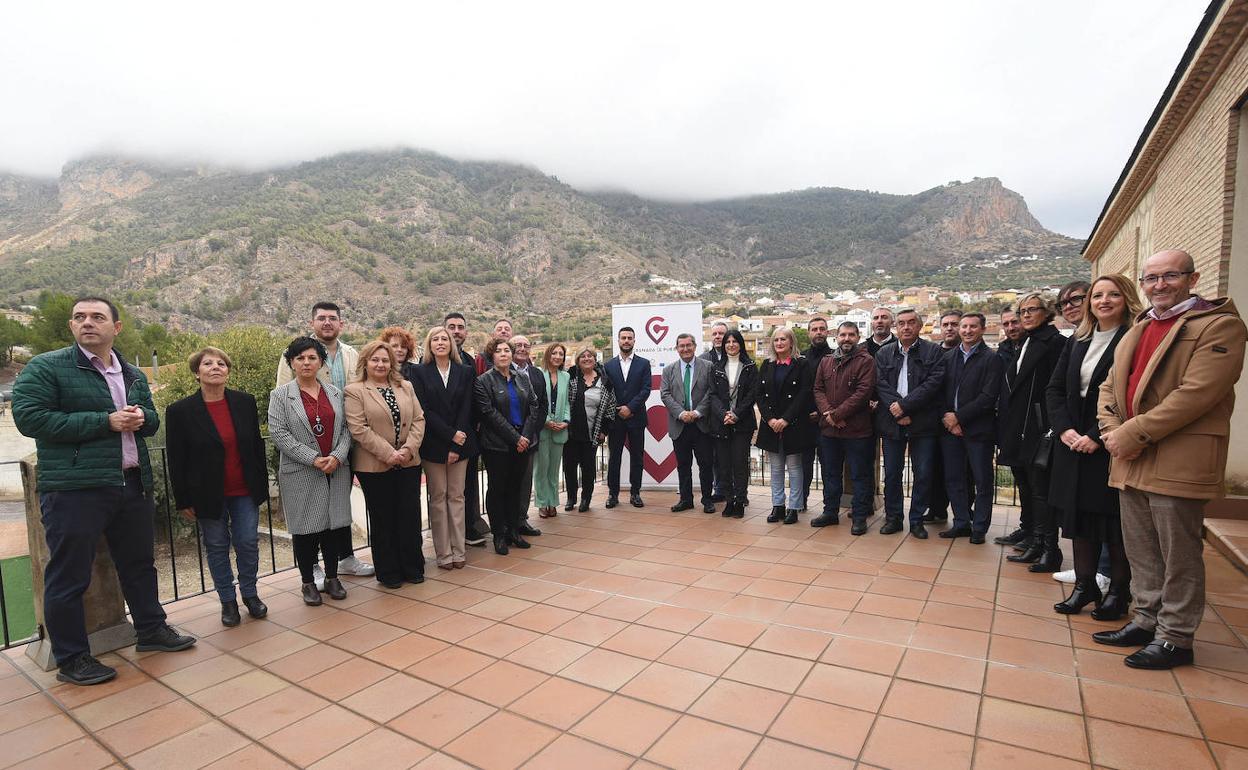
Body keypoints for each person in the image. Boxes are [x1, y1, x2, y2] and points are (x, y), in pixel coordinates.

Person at [12, 296, 195, 685]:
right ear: (71, 326)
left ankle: (150, 630)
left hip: (131, 483)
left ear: (117, 327)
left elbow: (151, 419)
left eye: (97, 317)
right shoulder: (47, 367)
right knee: (68, 575)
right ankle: (72, 659)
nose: (87, 323)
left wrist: (144, 416)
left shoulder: (131, 373)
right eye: (80, 317)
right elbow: (29, 418)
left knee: (139, 564)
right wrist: (105, 421)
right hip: (76, 489)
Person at [1095, 249, 1246, 669]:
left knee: (1179, 554)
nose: (1159, 285)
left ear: (1192, 278)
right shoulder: (1141, 327)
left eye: (1170, 276)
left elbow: (1197, 394)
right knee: (1142, 549)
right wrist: (1111, 431)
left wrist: (1131, 433)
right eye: (1151, 278)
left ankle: (1176, 637)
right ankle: (1145, 620)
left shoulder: (1220, 326)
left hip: (1178, 455)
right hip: (1130, 456)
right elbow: (1110, 386)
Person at [1046, 275, 1141, 618]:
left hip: (1108, 444)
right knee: (1078, 519)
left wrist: (1095, 435)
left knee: (1111, 522)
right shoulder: (1078, 341)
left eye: (1112, 294)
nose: (1104, 301)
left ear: (1126, 298)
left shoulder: (1134, 338)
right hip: (1072, 444)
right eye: (1098, 295)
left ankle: (1118, 592)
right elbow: (1054, 388)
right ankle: (1084, 587)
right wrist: (1065, 430)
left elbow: (1132, 395)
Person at [166, 347, 270, 627]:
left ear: (228, 371)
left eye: (221, 363)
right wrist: (183, 499)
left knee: (247, 542)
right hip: (206, 494)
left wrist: (261, 483)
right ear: (197, 372)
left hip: (244, 489)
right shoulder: (180, 411)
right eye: (207, 363)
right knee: (216, 545)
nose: (215, 367)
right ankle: (227, 600)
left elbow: (256, 447)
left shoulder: (244, 402)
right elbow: (176, 458)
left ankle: (250, 593)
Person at [275, 301, 372, 584]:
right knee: (307, 514)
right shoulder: (292, 356)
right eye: (321, 318)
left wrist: (340, 453)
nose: (327, 323)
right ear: (312, 322)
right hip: (306, 453)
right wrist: (313, 457)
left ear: (341, 324)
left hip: (343, 446)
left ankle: (345, 559)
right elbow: (283, 400)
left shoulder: (352, 355)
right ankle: (313, 569)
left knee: (337, 507)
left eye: (333, 318)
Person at [269, 337, 353, 606]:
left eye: (312, 358)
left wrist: (337, 456)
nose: (306, 362)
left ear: (321, 362)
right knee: (305, 530)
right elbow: (279, 434)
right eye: (300, 358)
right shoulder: (281, 395)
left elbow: (346, 430)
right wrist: (314, 458)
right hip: (302, 472)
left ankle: (331, 577)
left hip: (335, 469)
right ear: (291, 363)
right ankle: (308, 582)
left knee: (332, 526)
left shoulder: (335, 393)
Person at [345, 341, 426, 588]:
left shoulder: (406, 386)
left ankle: (412, 567)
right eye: (375, 360)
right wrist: (389, 454)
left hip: (409, 462)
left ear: (392, 363)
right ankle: (389, 571)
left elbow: (419, 419)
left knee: (409, 515)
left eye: (385, 360)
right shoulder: (355, 390)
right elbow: (358, 428)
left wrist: (407, 450)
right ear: (365, 363)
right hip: (375, 466)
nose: (380, 364)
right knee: (383, 519)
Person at [998, 293, 1066, 571]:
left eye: (1032, 310)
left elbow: (1057, 389)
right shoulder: (1026, 342)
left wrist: (1047, 424)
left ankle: (1049, 548)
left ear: (1047, 312)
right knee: (1028, 488)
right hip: (1020, 428)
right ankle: (1034, 541)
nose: (1026, 315)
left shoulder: (1055, 343)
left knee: (1041, 491)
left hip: (1039, 429)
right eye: (1022, 311)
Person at [873, 309, 946, 539]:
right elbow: (880, 383)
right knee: (892, 473)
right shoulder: (884, 353)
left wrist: (906, 407)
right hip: (892, 422)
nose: (906, 327)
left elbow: (933, 384)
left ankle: (916, 520)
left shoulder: (933, 351)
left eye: (911, 323)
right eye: (901, 323)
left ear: (919, 326)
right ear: (895, 327)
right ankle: (893, 517)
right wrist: (897, 409)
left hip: (921, 422)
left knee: (922, 472)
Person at [410, 326, 475, 569]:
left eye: (444, 339)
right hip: (433, 444)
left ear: (451, 344)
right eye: (435, 339)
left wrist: (458, 440)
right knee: (438, 498)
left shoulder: (466, 372)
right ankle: (444, 554)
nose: (440, 342)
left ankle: (459, 551)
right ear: (429, 344)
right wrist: (450, 435)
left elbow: (467, 407)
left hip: (462, 443)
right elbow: (423, 408)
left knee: (457, 497)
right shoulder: (418, 372)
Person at [938, 313, 1003, 543]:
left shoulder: (991, 359)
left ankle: (979, 528)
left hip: (978, 430)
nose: (966, 330)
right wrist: (949, 419)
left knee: (982, 480)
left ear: (982, 329)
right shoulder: (948, 357)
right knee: (954, 478)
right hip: (950, 430)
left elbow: (988, 397)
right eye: (963, 327)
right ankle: (961, 522)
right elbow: (940, 390)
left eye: (972, 327)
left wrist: (959, 419)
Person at [474, 339, 542, 554]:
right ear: (491, 356)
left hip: (522, 443)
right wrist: (515, 438)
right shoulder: (483, 381)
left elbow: (534, 406)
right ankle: (499, 535)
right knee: (497, 490)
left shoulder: (522, 377)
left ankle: (514, 531)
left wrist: (525, 436)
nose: (503, 354)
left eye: (507, 350)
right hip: (497, 446)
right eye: (498, 351)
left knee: (515, 488)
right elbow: (489, 414)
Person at [813, 322, 877, 534]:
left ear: (858, 337)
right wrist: (829, 415)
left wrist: (837, 414)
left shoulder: (866, 361)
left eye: (851, 335)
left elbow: (863, 393)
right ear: (836, 337)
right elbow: (818, 389)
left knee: (859, 475)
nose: (846, 338)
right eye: (843, 335)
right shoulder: (826, 361)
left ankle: (859, 517)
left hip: (857, 430)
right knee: (830, 474)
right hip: (829, 431)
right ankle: (830, 512)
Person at [755, 327, 817, 524]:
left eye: (783, 339)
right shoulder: (766, 364)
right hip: (771, 424)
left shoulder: (802, 364)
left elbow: (804, 394)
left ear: (791, 342)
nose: (779, 343)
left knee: (795, 467)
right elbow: (760, 394)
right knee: (775, 468)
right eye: (776, 340)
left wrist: (786, 419)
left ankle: (794, 507)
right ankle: (778, 506)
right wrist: (770, 419)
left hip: (795, 424)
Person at [444, 312, 489, 546]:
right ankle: (446, 533)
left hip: (469, 433)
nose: (456, 331)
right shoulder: (431, 362)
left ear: (466, 332)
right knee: (443, 489)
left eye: (460, 327)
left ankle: (469, 527)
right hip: (442, 435)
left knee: (468, 484)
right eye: (451, 327)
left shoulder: (470, 361)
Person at [661, 333, 716, 513]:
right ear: (676, 348)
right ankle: (686, 500)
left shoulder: (708, 367)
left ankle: (707, 500)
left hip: (702, 425)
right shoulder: (668, 370)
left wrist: (697, 412)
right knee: (683, 465)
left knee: (705, 464)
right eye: (681, 346)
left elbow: (711, 392)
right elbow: (665, 394)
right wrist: (682, 413)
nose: (685, 349)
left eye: (688, 345)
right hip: (680, 425)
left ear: (695, 346)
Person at [709, 330, 756, 519]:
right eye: (727, 341)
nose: (730, 344)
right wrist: (723, 415)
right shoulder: (716, 367)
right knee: (724, 465)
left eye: (734, 341)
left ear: (740, 344)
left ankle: (740, 500)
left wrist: (736, 414)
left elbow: (752, 394)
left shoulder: (750, 366)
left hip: (742, 423)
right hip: (721, 423)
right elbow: (712, 395)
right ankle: (729, 500)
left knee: (739, 464)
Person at [604, 327, 652, 508]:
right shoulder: (608, 366)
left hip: (636, 417)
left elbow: (646, 389)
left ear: (634, 341)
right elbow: (607, 392)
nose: (626, 341)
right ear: (618, 340)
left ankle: (635, 493)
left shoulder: (644, 363)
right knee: (614, 457)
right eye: (623, 338)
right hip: (615, 419)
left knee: (637, 458)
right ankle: (612, 495)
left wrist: (630, 407)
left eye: (629, 338)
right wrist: (618, 409)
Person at [925, 310, 964, 524]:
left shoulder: (968, 354)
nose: (950, 328)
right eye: (946, 324)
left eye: (954, 324)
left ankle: (964, 516)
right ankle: (936, 509)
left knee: (961, 475)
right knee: (934, 470)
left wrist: (958, 418)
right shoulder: (934, 353)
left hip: (961, 424)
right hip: (935, 422)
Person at [564, 348, 615, 511]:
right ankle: (571, 498)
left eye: (590, 356)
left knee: (588, 468)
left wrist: (604, 431)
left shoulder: (605, 381)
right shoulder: (570, 377)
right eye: (583, 357)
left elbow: (611, 407)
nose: (586, 359)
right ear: (578, 361)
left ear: (595, 359)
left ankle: (586, 498)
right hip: (570, 431)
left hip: (592, 432)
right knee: (569, 467)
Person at [510, 335, 545, 537]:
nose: (522, 348)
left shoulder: (536, 374)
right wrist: (515, 435)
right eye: (518, 345)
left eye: (526, 345)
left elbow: (542, 405)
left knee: (525, 482)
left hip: (530, 438)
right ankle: (507, 524)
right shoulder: (503, 371)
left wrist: (530, 432)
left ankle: (521, 520)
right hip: (508, 438)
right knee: (508, 483)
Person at [534, 343, 570, 517]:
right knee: (541, 468)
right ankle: (542, 502)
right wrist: (546, 421)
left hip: (560, 430)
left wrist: (565, 420)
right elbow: (535, 402)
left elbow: (568, 403)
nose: (557, 356)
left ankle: (553, 502)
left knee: (554, 470)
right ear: (548, 355)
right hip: (542, 428)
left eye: (561, 354)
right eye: (554, 353)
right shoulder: (539, 375)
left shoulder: (566, 376)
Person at [801, 317, 832, 512]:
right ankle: (800, 502)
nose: (818, 332)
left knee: (829, 467)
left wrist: (821, 412)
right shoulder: (801, 357)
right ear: (809, 333)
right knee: (803, 467)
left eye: (822, 329)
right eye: (814, 329)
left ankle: (830, 507)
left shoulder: (835, 356)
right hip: (804, 421)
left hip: (828, 421)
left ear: (827, 332)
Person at [701, 321, 728, 502]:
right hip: (710, 417)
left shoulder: (736, 356)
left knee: (732, 458)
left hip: (731, 415)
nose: (718, 337)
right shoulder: (703, 359)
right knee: (713, 458)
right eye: (715, 334)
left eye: (721, 334)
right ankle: (718, 491)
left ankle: (736, 492)